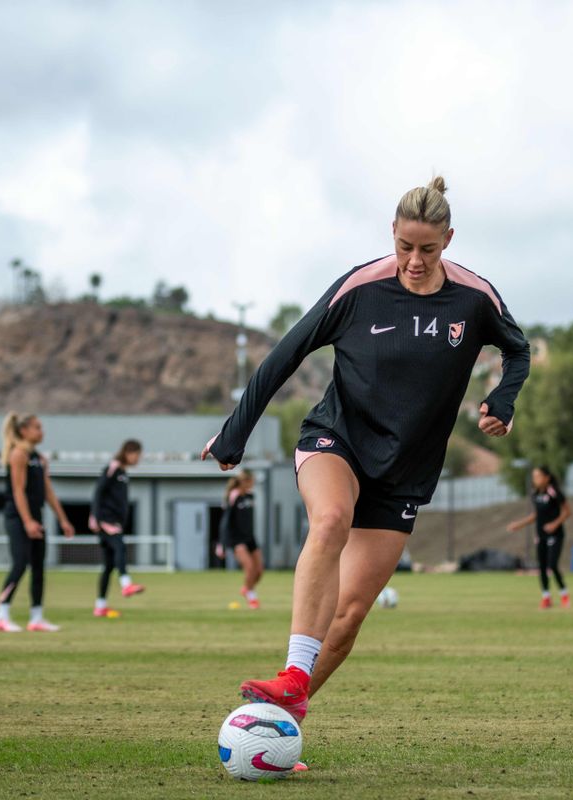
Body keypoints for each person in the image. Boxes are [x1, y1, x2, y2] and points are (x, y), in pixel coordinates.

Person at [201, 176, 529, 722]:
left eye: (427, 249)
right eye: (405, 247)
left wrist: (503, 400)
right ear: (392, 234)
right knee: (330, 519)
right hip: (338, 439)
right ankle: (291, 673)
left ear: (449, 239)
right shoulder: (360, 287)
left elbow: (517, 352)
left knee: (350, 615)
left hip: (405, 470)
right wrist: (235, 431)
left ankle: (283, 720)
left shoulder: (474, 298)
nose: (415, 261)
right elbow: (287, 353)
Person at [0, 413, 75, 633]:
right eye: (37, 427)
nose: (41, 432)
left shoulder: (39, 457)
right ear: (23, 431)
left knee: (38, 567)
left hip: (35, 516)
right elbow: (18, 491)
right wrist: (27, 521)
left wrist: (63, 519)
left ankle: (36, 617)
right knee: (20, 564)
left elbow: (47, 490)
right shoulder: (18, 454)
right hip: (18, 518)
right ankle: (1, 614)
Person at [89, 439, 145, 617]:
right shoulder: (113, 468)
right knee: (120, 547)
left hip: (113, 521)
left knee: (108, 566)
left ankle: (100, 606)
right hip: (107, 521)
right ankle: (126, 584)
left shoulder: (122, 472)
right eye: (138, 455)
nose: (138, 459)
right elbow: (98, 492)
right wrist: (95, 517)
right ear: (129, 452)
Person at [507, 466, 572, 609]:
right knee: (542, 567)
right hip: (540, 535)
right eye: (534, 476)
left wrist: (555, 524)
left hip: (555, 535)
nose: (535, 479)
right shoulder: (535, 494)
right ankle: (546, 597)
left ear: (547, 477)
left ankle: (564, 594)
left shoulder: (554, 492)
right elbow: (536, 515)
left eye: (538, 476)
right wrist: (520, 524)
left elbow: (567, 511)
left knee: (553, 565)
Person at [217, 470, 263, 609]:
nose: (253, 483)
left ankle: (246, 588)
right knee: (249, 567)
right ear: (245, 481)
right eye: (252, 481)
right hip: (236, 538)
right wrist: (222, 543)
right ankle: (251, 597)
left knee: (259, 571)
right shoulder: (234, 496)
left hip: (249, 537)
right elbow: (226, 521)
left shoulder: (250, 496)